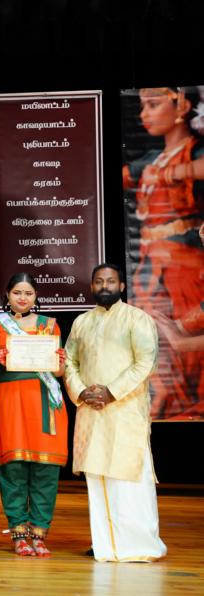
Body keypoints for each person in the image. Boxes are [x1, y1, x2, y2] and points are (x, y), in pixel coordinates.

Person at [64, 263, 167, 562]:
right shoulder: (82, 322)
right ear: (92, 286)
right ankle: (106, 544)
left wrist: (111, 392)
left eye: (110, 281)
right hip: (91, 413)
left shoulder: (137, 319)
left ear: (121, 286)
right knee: (98, 478)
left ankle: (140, 546)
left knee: (129, 478)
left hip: (124, 411)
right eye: (99, 281)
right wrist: (81, 392)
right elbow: (69, 361)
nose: (104, 286)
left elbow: (146, 362)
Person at [123, 86, 204, 419]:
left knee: (186, 334)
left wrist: (175, 173)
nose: (144, 114)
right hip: (149, 264)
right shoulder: (151, 160)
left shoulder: (194, 152)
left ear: (181, 105)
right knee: (152, 335)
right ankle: (160, 406)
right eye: (142, 106)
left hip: (185, 266)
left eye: (153, 105)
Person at [0, 273, 67, 557]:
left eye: (28, 293)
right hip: (10, 401)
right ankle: (19, 532)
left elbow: (59, 372)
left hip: (43, 402)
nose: (22, 298)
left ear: (36, 297)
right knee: (14, 469)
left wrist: (60, 363)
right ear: (7, 295)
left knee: (45, 470)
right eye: (17, 293)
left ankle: (40, 532)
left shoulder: (49, 325)